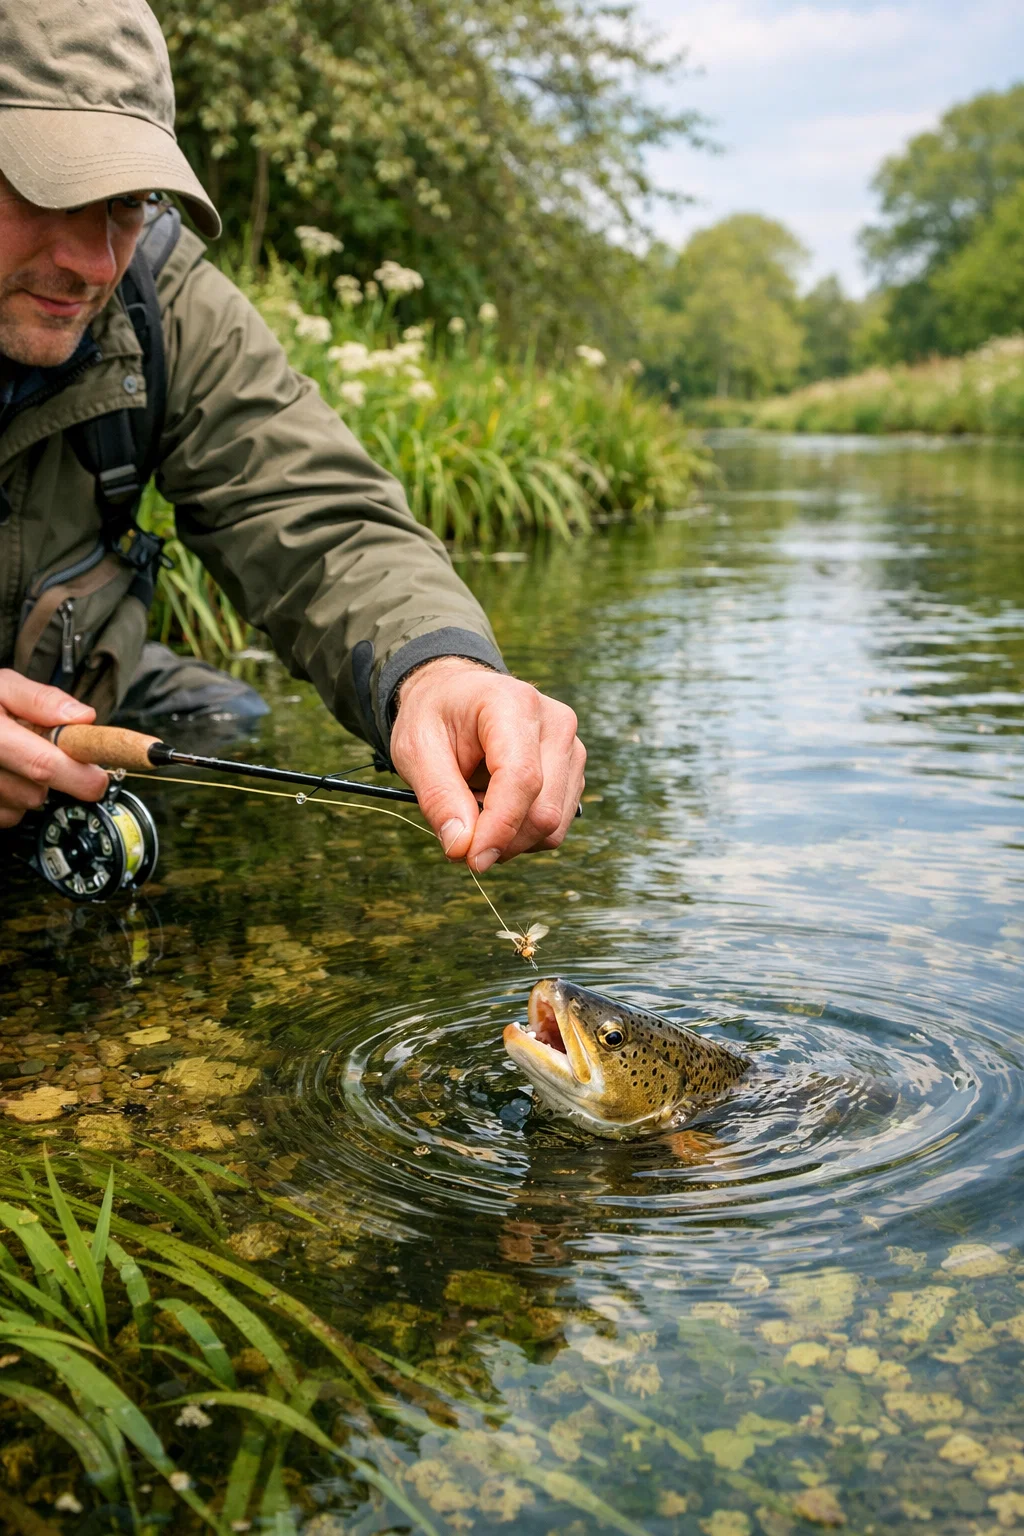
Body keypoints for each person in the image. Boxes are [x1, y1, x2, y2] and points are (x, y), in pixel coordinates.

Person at [0, 0, 585, 874]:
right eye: (47, 190)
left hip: (70, 697)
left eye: (125, 201)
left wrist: (438, 673)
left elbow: (316, 518)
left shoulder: (160, 297)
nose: (92, 261)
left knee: (222, 711)